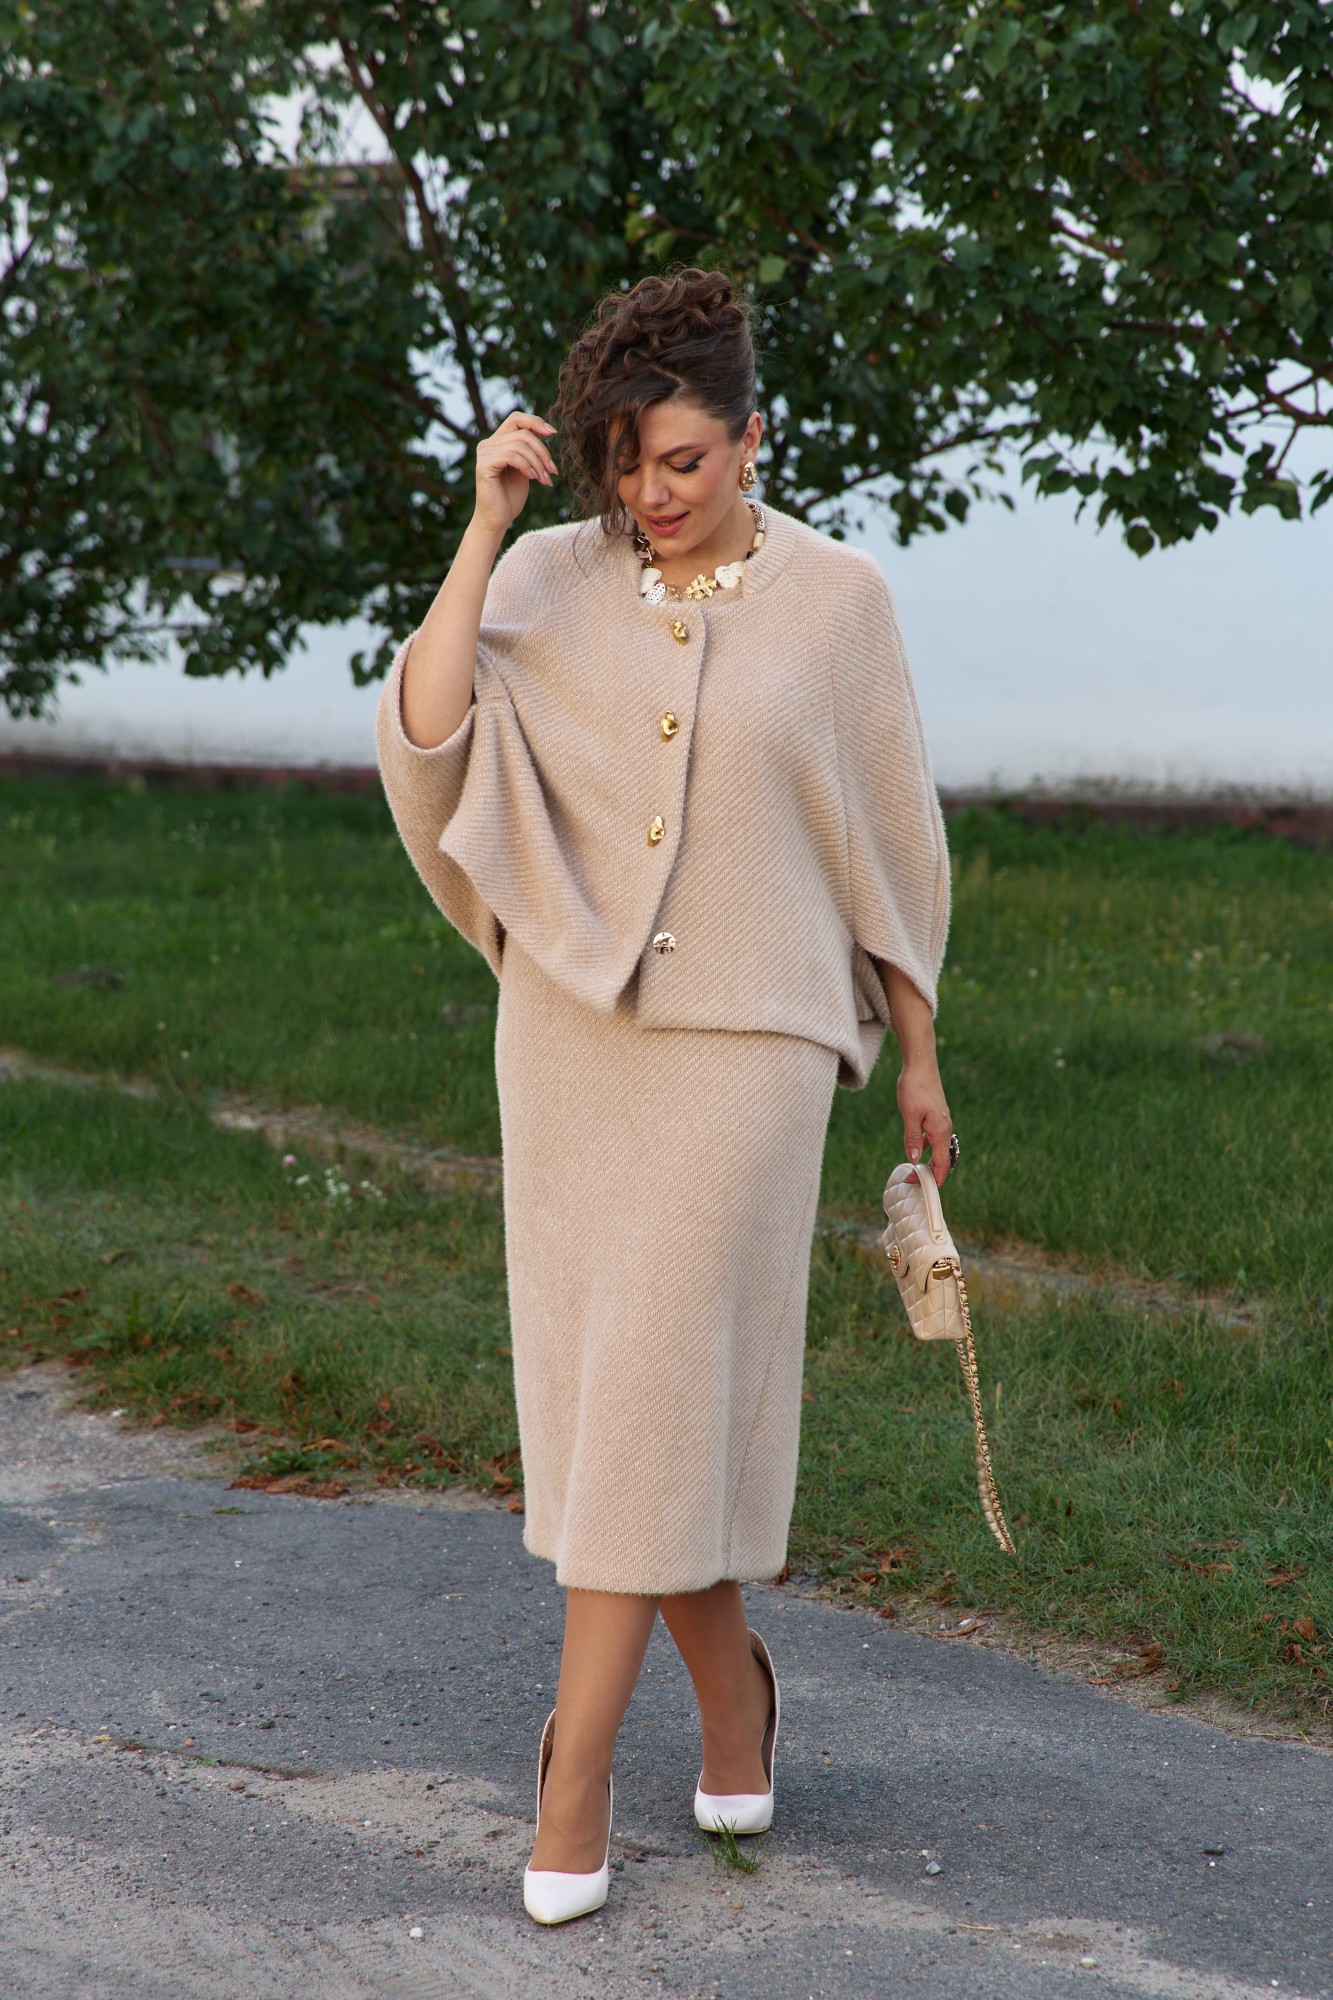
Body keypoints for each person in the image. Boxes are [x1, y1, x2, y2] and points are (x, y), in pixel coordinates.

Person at [375, 265, 955, 1926]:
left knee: (644, 1388)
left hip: (751, 1049)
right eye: (626, 461)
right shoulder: (549, 576)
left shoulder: (839, 603)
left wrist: (916, 1051)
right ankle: (733, 1700)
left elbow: (890, 833)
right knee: (628, 1403)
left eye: (684, 459)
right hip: (570, 1040)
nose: (652, 493)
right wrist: (483, 528)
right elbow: (427, 736)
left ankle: (572, 1773)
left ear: (755, 436)